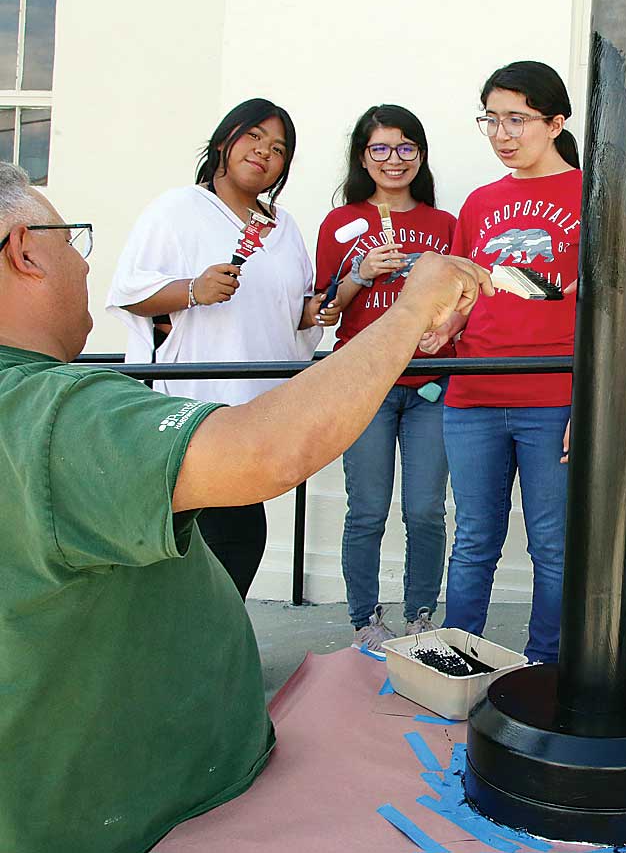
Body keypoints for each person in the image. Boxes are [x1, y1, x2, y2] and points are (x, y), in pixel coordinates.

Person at [0, 159, 491, 853]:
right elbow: (263, 453)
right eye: (70, 238)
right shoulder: (51, 414)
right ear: (24, 250)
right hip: (129, 822)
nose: (86, 266)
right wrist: (412, 310)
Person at [106, 98, 328, 598]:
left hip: (261, 403)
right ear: (225, 141)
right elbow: (129, 292)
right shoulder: (176, 209)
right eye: (253, 137)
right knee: (205, 528)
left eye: (278, 148)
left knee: (242, 522)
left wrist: (316, 313)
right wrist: (193, 289)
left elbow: (288, 311)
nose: (264, 152)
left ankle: (221, 640)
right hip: (200, 400)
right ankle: (198, 648)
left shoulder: (283, 227)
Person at [437, 61, 581, 664]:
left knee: (552, 546)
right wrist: (440, 328)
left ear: (556, 122)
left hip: (554, 399)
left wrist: (590, 402)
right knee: (473, 540)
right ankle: (452, 659)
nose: (503, 133)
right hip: (472, 396)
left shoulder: (591, 194)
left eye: (517, 119)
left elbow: (610, 306)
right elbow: (466, 294)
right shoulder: (479, 202)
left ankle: (545, 669)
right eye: (491, 120)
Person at [315, 105, 458, 649]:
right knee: (368, 508)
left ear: (420, 156)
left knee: (424, 510)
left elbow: (461, 301)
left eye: (405, 148)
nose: (393, 160)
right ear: (362, 156)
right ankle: (366, 622)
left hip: (431, 385)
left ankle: (420, 616)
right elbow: (326, 311)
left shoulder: (445, 225)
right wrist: (359, 273)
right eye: (380, 149)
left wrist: (442, 325)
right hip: (365, 383)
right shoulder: (340, 222)